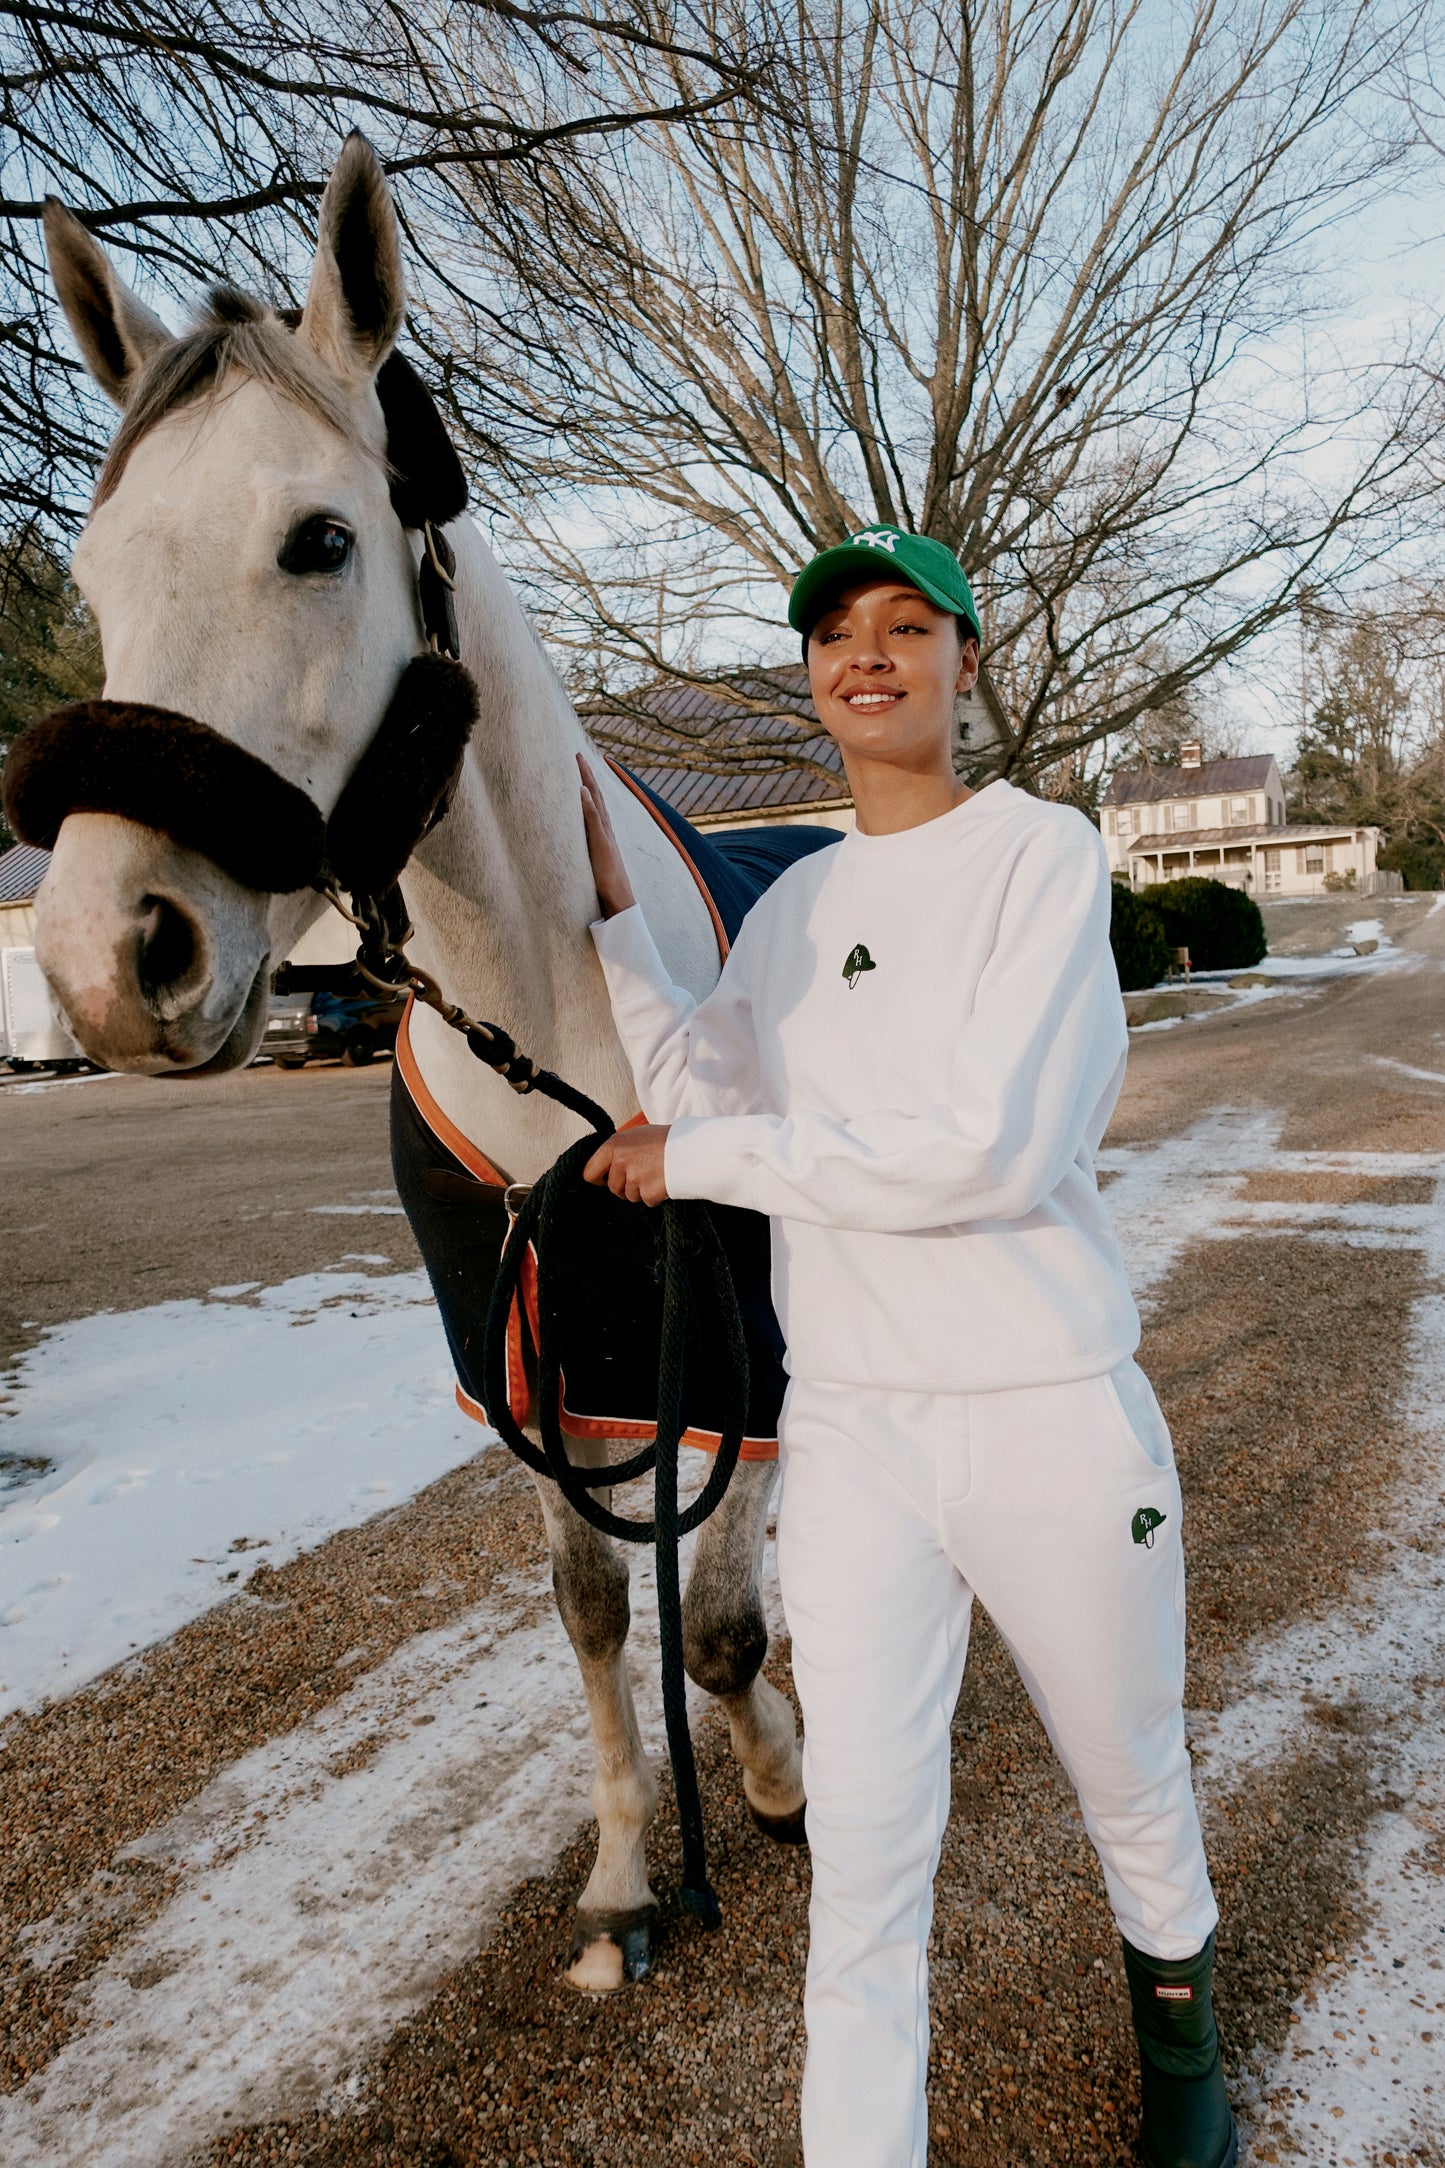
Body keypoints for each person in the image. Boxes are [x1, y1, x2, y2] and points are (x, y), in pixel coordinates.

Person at [577, 525, 1235, 2168]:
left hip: (1046, 1413)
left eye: (900, 626)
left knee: (1127, 1778)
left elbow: (984, 1151)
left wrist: (704, 1158)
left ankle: (1183, 2067)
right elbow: (705, 1085)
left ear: (962, 657)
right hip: (860, 1434)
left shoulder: (1040, 855)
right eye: (833, 636)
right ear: (810, 677)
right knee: (868, 1854)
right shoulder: (793, 903)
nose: (861, 654)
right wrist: (607, 918)